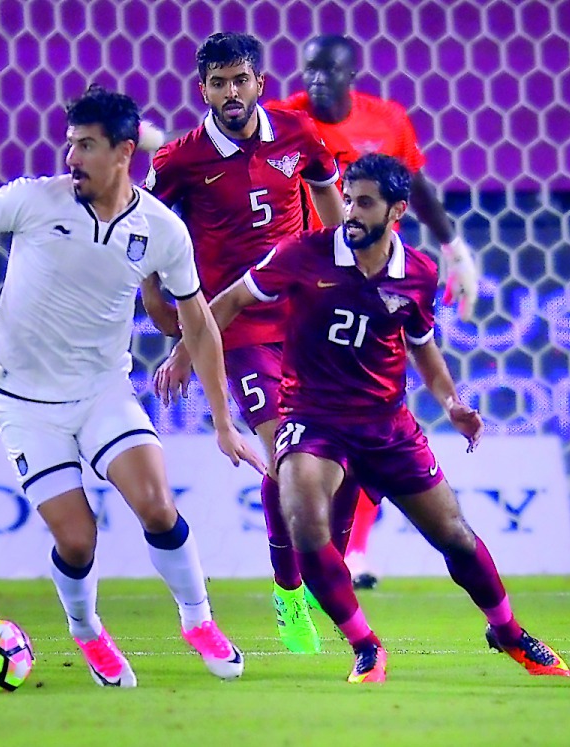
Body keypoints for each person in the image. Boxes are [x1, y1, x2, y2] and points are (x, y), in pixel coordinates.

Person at [0, 85, 266, 688]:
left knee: (156, 505)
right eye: (69, 143)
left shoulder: (163, 230)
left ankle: (198, 621)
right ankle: (88, 629)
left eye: (86, 146)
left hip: (102, 390)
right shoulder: (34, 200)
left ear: (124, 152)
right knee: (77, 537)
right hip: (23, 403)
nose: (72, 157)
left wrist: (224, 422)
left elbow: (198, 321)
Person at [184, 153, 570, 683]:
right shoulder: (303, 254)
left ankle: (507, 631)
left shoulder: (419, 273)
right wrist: (188, 349)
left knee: (454, 535)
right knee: (305, 521)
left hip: (388, 428)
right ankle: (365, 645)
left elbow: (424, 349)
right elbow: (227, 303)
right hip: (313, 419)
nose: (351, 211)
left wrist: (452, 402)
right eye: (348, 199)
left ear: (397, 212)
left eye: (364, 203)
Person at [142, 32, 354, 655]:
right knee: (286, 457)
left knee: (340, 464)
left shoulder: (299, 136)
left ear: (259, 82)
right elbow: (149, 235)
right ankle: (290, 593)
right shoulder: (179, 160)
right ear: (201, 89)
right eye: (217, 83)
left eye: (240, 80)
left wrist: (352, 281)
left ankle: (320, 567)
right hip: (237, 327)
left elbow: (331, 209)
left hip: (308, 317)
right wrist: (170, 318)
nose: (230, 93)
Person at [275, 34, 482, 589]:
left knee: (372, 413)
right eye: (309, 69)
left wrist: (452, 247)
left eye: (329, 70)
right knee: (312, 425)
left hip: (374, 284)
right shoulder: (285, 120)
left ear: (350, 73)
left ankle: (354, 551)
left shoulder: (387, 120)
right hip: (312, 278)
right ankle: (308, 560)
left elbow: (414, 181)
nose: (317, 80)